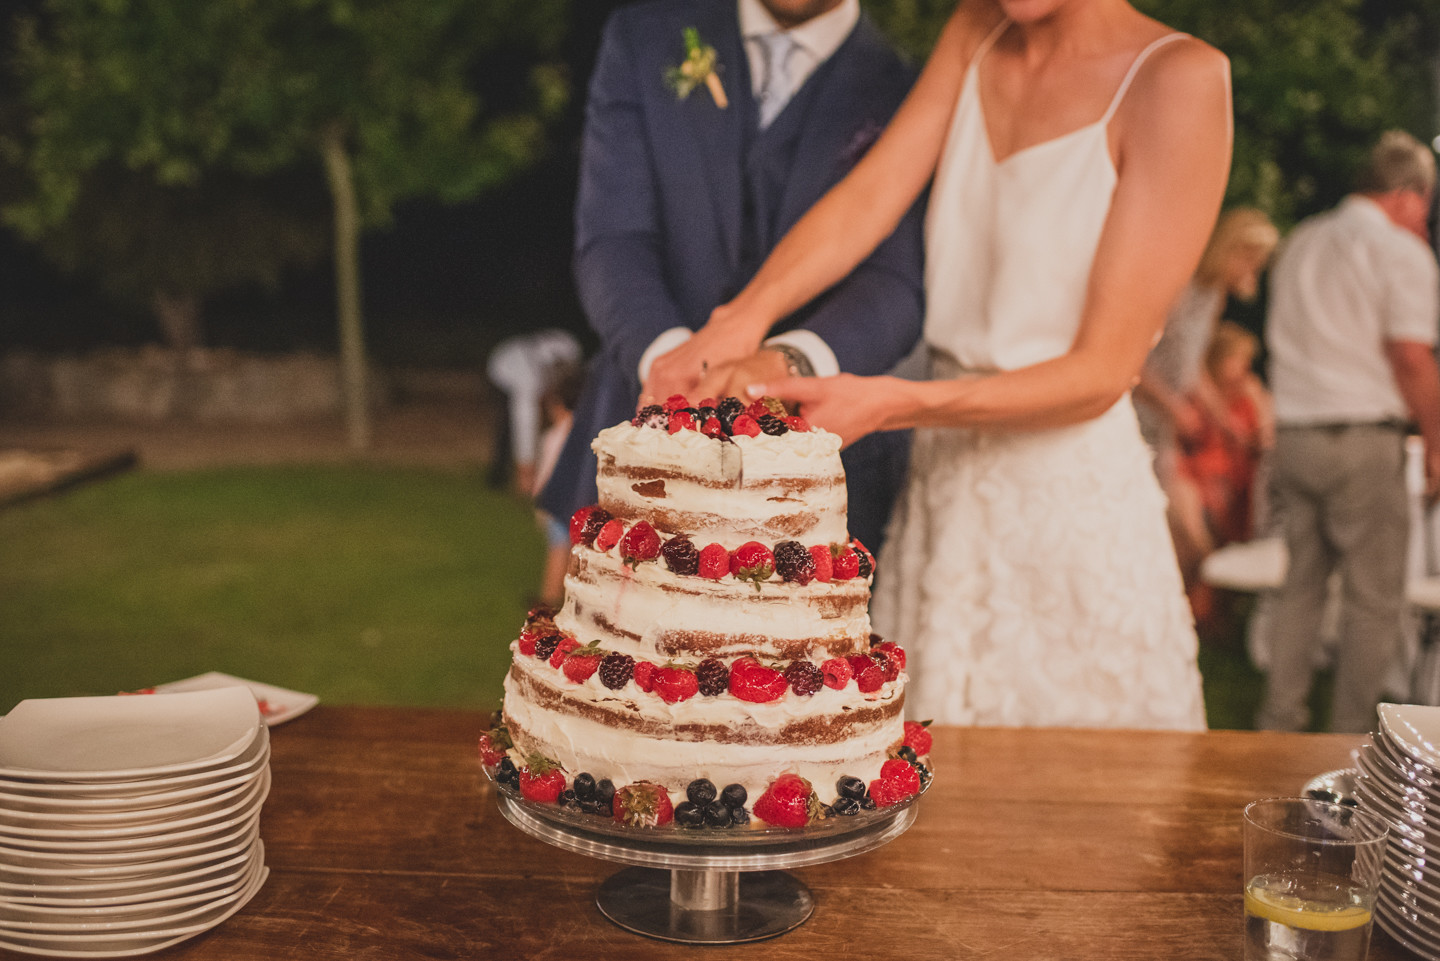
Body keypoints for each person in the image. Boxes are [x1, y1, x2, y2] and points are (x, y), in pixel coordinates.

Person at [656, 0, 1233, 728]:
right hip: (943, 494)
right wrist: (744, 317)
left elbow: (1101, 373)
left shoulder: (1181, 79)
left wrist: (898, 403)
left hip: (1072, 518)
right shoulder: (977, 29)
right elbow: (870, 197)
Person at [537, 0, 926, 556]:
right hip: (635, 422)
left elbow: (896, 283)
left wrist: (785, 366)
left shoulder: (908, 88)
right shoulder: (644, 39)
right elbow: (613, 239)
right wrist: (673, 360)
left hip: (821, 467)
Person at [1258, 130, 1440, 734]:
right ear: (1409, 195)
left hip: (1295, 434)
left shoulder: (1301, 241)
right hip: (1362, 438)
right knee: (1371, 598)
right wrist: (1437, 443)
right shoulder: (1397, 251)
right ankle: (1352, 742)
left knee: (1300, 586)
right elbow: (1412, 357)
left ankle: (1278, 725)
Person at [1133, 208, 1277, 509]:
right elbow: (1136, 356)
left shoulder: (1213, 295)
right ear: (1232, 249)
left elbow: (1191, 366)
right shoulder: (1179, 284)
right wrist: (1173, 408)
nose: (1251, 271)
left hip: (1168, 415)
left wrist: (1225, 419)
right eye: (1250, 261)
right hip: (1143, 407)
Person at [1174, 321, 1272, 626]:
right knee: (1197, 527)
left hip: (1240, 488)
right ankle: (1199, 612)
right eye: (1236, 358)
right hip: (1203, 482)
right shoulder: (1197, 398)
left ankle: (1218, 614)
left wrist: (1258, 399)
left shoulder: (1247, 399)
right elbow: (1185, 447)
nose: (1243, 368)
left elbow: (1267, 442)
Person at [485, 328, 583, 496]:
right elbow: (525, 420)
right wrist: (526, 469)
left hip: (534, 369)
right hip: (501, 373)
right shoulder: (527, 378)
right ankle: (499, 474)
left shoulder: (570, 349)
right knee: (508, 427)